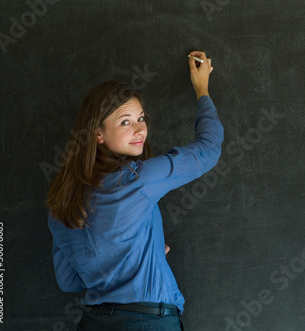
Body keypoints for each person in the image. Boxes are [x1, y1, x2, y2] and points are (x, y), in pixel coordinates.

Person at [47, 51, 223, 331]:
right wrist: (202, 89)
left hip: (93, 322)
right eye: (125, 121)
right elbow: (208, 150)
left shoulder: (60, 203)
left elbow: (68, 281)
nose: (140, 129)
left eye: (141, 118)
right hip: (146, 322)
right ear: (98, 134)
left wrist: (136, 257)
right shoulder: (138, 179)